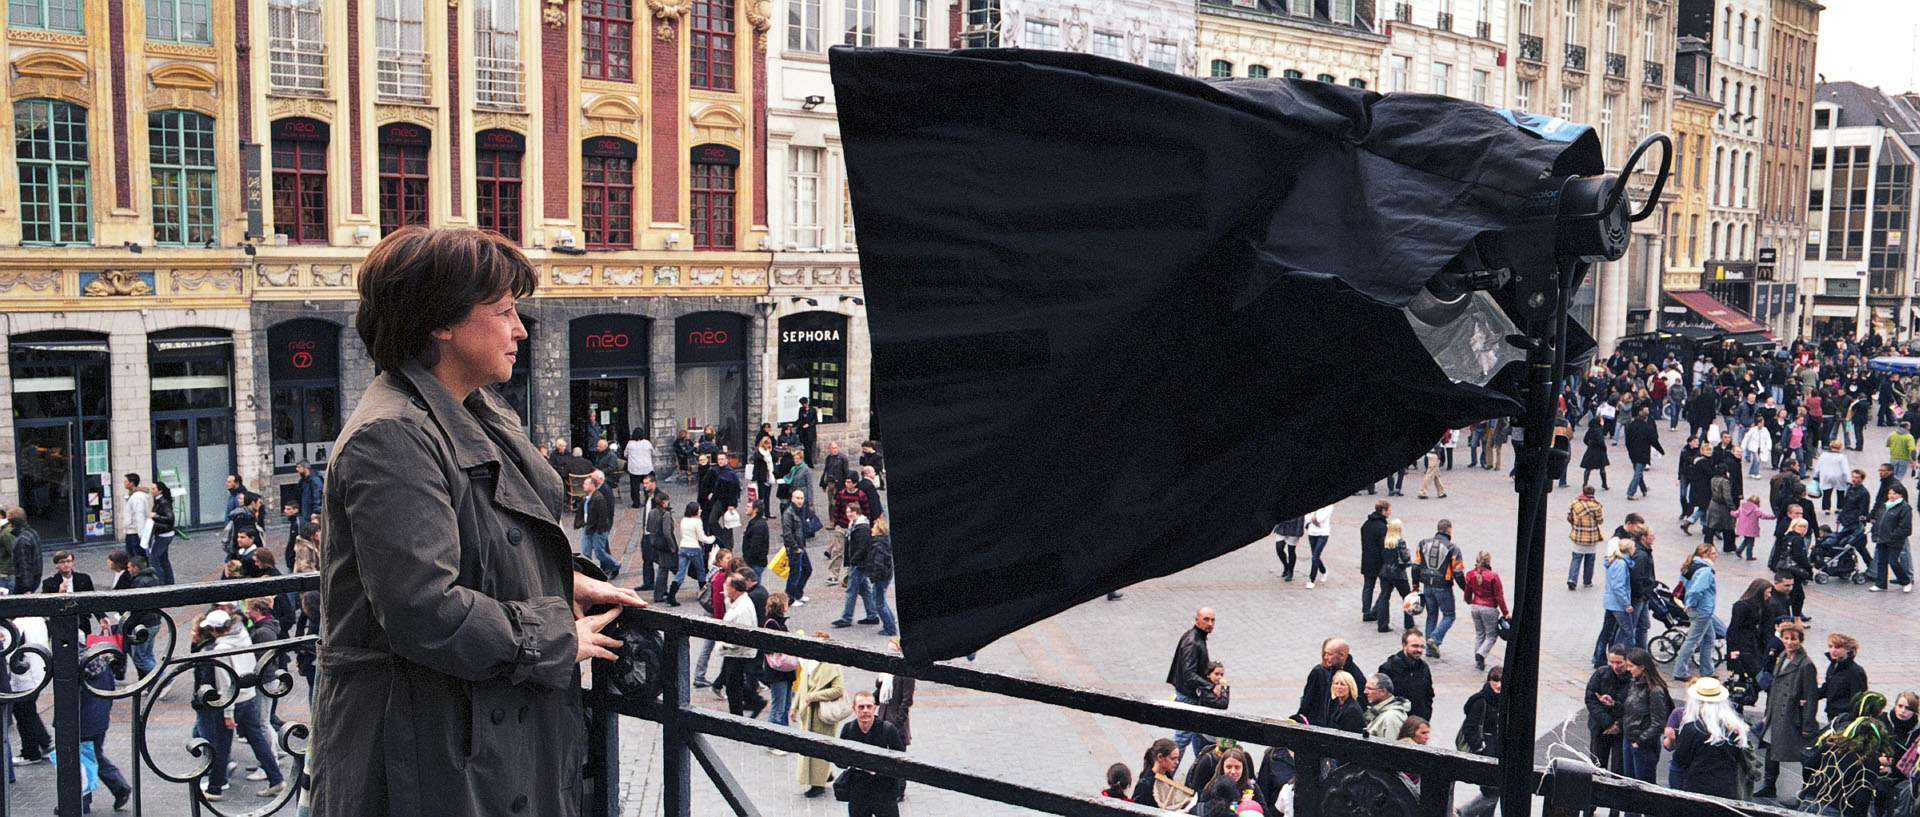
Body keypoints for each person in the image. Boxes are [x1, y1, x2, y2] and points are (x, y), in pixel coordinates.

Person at [309, 227, 644, 817]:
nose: (519, 328)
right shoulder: (392, 435)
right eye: (505, 311)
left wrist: (560, 579)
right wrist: (553, 634)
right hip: (426, 753)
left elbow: (478, 540)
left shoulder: (472, 406)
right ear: (441, 322)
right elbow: (422, 606)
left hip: (474, 735)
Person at [1801, 691, 1900, 817]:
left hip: (1810, 801)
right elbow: (1862, 799)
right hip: (1837, 810)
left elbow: (1809, 766)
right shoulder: (1869, 760)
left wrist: (1813, 786)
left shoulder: (1832, 744)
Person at [1756, 621, 1820, 801]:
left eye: (1793, 639)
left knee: (1803, 755)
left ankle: (1806, 791)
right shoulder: (1783, 656)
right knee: (1771, 748)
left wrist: (1807, 724)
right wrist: (1767, 713)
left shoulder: (1806, 664)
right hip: (1776, 715)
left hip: (1793, 718)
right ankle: (1769, 786)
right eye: (1786, 638)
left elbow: (1810, 696)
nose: (1789, 642)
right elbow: (1775, 689)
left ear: (1800, 640)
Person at [1671, 678, 1751, 800]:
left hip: (1696, 790)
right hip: (1726, 789)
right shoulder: (1734, 729)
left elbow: (1680, 759)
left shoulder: (1692, 728)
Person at [836, 691, 908, 817]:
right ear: (854, 709)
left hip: (884, 791)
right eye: (861, 707)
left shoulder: (888, 730)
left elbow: (901, 762)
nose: (865, 711)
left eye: (869, 707)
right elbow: (839, 761)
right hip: (858, 792)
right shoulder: (848, 729)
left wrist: (878, 770)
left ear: (875, 708)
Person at [793, 637, 847, 798]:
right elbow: (802, 687)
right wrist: (794, 707)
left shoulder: (832, 666)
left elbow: (838, 690)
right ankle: (824, 774)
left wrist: (816, 696)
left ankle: (818, 784)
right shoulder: (809, 663)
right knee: (808, 749)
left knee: (820, 749)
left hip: (823, 715)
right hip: (807, 713)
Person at [1166, 607, 1219, 758]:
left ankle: (1200, 766)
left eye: (1212, 620)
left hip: (1188, 693)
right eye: (1206, 619)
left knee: (1197, 734)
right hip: (1188, 695)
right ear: (1197, 620)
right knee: (1182, 738)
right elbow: (1189, 674)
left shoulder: (1197, 637)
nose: (1210, 623)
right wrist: (1210, 686)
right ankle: (1167, 773)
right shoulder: (1193, 642)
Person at [1618, 648, 1674, 792]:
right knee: (1629, 786)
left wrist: (1640, 741)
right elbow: (1630, 709)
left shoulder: (1655, 691)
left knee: (1644, 789)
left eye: (1631, 666)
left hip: (1643, 744)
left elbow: (1658, 723)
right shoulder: (1633, 683)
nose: (1628, 669)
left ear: (1642, 667)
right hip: (1629, 739)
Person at [1411, 520, 1465, 657]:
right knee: (1449, 615)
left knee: (1431, 615)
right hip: (1443, 586)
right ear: (1449, 530)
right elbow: (1458, 572)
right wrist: (1465, 589)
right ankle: (1434, 639)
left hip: (1427, 585)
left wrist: (1415, 584)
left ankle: (1429, 649)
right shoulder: (1452, 548)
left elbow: (1416, 566)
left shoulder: (1423, 544)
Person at [1456, 666, 1504, 817]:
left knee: (1495, 788)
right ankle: (1463, 813)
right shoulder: (1481, 701)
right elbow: (1469, 728)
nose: (1498, 685)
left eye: (1501, 681)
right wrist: (1479, 746)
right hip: (1486, 751)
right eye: (1495, 680)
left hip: (1497, 752)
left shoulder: (1504, 700)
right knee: (1491, 791)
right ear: (1489, 681)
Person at [1672, 544, 1719, 683]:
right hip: (1702, 610)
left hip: (1699, 610)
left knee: (1709, 638)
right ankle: (1680, 671)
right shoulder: (1705, 571)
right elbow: (1696, 590)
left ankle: (1708, 671)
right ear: (1705, 555)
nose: (1716, 556)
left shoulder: (1692, 566)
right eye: (1714, 553)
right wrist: (1690, 604)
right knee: (1693, 641)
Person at [1297, 637, 1365, 727]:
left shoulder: (1356, 677)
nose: (1325, 657)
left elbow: (1361, 706)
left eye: (1329, 654)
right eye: (1325, 653)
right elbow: (1307, 701)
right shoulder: (1320, 671)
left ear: (1342, 655)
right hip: (1317, 725)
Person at [1584, 646, 1631, 774]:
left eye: (1619, 662)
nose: (1615, 666)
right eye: (1612, 662)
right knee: (1597, 767)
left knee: (1619, 769)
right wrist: (1608, 723)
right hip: (1600, 728)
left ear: (1627, 661)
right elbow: (1591, 699)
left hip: (1622, 730)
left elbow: (1635, 709)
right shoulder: (1601, 673)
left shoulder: (1633, 678)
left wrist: (1618, 725)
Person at [1462, 550, 1507, 671]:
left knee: (1479, 634)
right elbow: (1499, 596)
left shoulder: (1470, 574)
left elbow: (1467, 591)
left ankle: (1478, 660)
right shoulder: (1493, 576)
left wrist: (1468, 601)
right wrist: (1505, 612)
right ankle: (1481, 654)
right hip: (1489, 608)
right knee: (1491, 635)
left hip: (1475, 606)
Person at [1595, 536, 1636, 668]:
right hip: (1618, 605)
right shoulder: (1621, 564)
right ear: (1629, 549)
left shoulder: (1615, 561)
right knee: (1628, 633)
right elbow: (1618, 586)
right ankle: (1628, 661)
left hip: (1610, 603)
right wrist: (1626, 604)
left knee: (1606, 632)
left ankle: (1600, 659)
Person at [1377, 630, 1434, 720]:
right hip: (1397, 722)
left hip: (1418, 723)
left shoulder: (1424, 668)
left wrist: (1425, 716)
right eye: (1415, 646)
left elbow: (1428, 695)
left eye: (1422, 647)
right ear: (1404, 645)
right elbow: (1380, 697)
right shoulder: (1389, 668)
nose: (1419, 650)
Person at [1373, 518, 1417, 633]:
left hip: (1385, 572)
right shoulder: (1400, 542)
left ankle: (1382, 624)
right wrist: (1407, 550)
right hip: (1398, 573)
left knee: (1384, 597)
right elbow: (1406, 558)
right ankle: (1409, 623)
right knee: (1407, 597)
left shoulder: (1384, 540)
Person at [1870, 481, 1915, 592]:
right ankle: (1880, 583)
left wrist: (1894, 536)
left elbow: (1905, 526)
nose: (1891, 496)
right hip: (1882, 538)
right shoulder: (1885, 505)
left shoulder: (1904, 508)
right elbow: (1879, 520)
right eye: (1890, 494)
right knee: (1881, 561)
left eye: (1894, 494)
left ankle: (1906, 581)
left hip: (1894, 540)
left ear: (1900, 495)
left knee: (1893, 561)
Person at [1724, 578, 1771, 682]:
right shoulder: (1742, 606)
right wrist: (1733, 649)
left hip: (1752, 643)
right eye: (1768, 592)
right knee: (1751, 672)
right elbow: (1733, 628)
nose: (1769, 595)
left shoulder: (1760, 606)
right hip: (1742, 644)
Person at [670, 501, 715, 605]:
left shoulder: (683, 520)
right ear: (695, 511)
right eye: (699, 509)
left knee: (680, 573)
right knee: (701, 572)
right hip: (694, 548)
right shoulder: (697, 522)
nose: (700, 510)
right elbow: (701, 538)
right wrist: (712, 539)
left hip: (683, 548)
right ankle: (704, 593)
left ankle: (671, 595)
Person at [1820, 633, 1870, 725]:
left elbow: (1858, 699)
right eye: (1830, 647)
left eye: (1837, 647)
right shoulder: (1833, 665)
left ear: (1847, 649)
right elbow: (1828, 687)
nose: (1833, 650)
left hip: (1845, 719)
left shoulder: (1855, 671)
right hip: (1832, 715)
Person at [579, 472, 621, 579]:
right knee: (586, 551)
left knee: (599, 552)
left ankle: (614, 566)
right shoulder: (588, 496)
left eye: (587, 483)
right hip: (588, 526)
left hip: (597, 528)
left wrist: (601, 529)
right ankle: (588, 571)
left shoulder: (600, 497)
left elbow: (604, 514)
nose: (584, 485)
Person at [1133, 738, 1193, 810]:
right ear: (1160, 757)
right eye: (1173, 758)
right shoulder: (1145, 785)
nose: (1177, 762)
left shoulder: (1166, 775)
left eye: (1177, 758)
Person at [1567, 485, 1606, 590]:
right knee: (1590, 559)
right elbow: (1600, 520)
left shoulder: (1575, 503)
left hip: (1578, 535)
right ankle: (1587, 581)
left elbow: (1569, 517)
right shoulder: (1596, 506)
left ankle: (1572, 579)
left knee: (1576, 558)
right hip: (1591, 536)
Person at [1623, 407, 1664, 499]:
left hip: (1632, 452)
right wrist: (1661, 450)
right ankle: (1631, 493)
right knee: (1638, 473)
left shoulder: (1632, 425)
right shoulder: (1647, 428)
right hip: (1643, 453)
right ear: (1646, 418)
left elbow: (1627, 439)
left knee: (1638, 472)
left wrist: (1629, 449)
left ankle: (1644, 489)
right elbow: (1654, 441)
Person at [782, 490, 815, 605]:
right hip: (794, 547)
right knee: (794, 573)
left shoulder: (800, 511)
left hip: (800, 545)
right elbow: (787, 533)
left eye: (801, 498)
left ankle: (797, 593)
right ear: (792, 498)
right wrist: (795, 547)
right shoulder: (788, 513)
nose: (800, 501)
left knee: (807, 569)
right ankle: (790, 598)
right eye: (797, 498)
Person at [1359, 500, 1389, 622]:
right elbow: (1383, 547)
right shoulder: (1382, 528)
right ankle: (1376, 609)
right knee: (1385, 588)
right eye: (1389, 510)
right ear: (1383, 510)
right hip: (1380, 562)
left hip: (1367, 560)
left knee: (1368, 587)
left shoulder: (1366, 525)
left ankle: (1366, 612)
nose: (1390, 512)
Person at [1363, 673, 1411, 740]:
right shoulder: (1379, 711)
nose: (1365, 692)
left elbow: (1392, 747)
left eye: (1369, 688)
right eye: (1365, 688)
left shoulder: (1391, 718)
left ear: (1383, 691)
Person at [121, 473, 152, 560]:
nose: (124, 483)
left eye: (126, 481)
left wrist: (141, 534)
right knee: (134, 556)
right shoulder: (132, 496)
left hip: (135, 532)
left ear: (132, 483)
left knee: (136, 557)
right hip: (131, 531)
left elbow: (140, 515)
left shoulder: (137, 497)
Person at [1303, 504, 1333, 587]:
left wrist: (1313, 517)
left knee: (1315, 556)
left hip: (1323, 533)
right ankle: (1324, 571)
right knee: (1315, 556)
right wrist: (1313, 518)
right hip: (1311, 532)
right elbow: (1306, 518)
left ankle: (1311, 579)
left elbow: (1320, 519)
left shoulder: (1328, 506)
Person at [624, 430, 656, 508]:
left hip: (634, 468)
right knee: (647, 484)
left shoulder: (630, 444)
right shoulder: (647, 443)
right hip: (646, 468)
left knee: (635, 487)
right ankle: (647, 500)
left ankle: (636, 502)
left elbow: (625, 454)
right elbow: (654, 453)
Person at [1581, 417, 1611, 490]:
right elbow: (1601, 441)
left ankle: (1585, 483)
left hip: (1591, 450)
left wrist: (1590, 444)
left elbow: (1585, 440)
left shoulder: (1590, 429)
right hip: (1599, 451)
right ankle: (1604, 483)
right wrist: (1604, 448)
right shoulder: (1599, 430)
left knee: (1588, 468)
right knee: (1602, 468)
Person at [1272, 513, 1303, 582]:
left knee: (1291, 550)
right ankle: (1286, 566)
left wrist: (1299, 531)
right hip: (1282, 526)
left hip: (1294, 527)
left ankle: (1290, 572)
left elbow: (1301, 516)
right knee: (1279, 548)